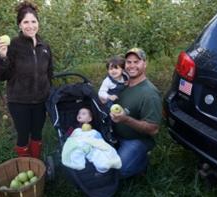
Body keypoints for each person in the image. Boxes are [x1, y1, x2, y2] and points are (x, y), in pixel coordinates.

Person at [0, 1, 53, 158]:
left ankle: (36, 165)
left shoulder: (44, 46)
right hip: (19, 101)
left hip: (41, 100)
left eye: (33, 21)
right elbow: (1, 76)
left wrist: (49, 93)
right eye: (25, 22)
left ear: (38, 23)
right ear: (19, 25)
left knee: (37, 134)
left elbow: (49, 73)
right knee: (23, 135)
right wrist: (2, 57)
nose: (30, 26)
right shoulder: (12, 45)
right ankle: (24, 166)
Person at [110, 48, 162, 179]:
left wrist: (125, 119)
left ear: (145, 64)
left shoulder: (150, 94)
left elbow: (153, 129)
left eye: (136, 62)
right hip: (114, 134)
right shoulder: (122, 84)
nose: (132, 65)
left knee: (119, 171)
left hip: (136, 140)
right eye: (128, 62)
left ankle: (142, 162)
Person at [62, 108, 122, 173]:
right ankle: (77, 163)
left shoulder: (93, 130)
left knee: (98, 153)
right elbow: (69, 137)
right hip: (79, 144)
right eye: (78, 113)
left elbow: (98, 140)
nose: (80, 115)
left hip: (91, 146)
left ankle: (103, 165)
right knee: (77, 152)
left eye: (83, 114)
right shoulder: (74, 127)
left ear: (90, 119)